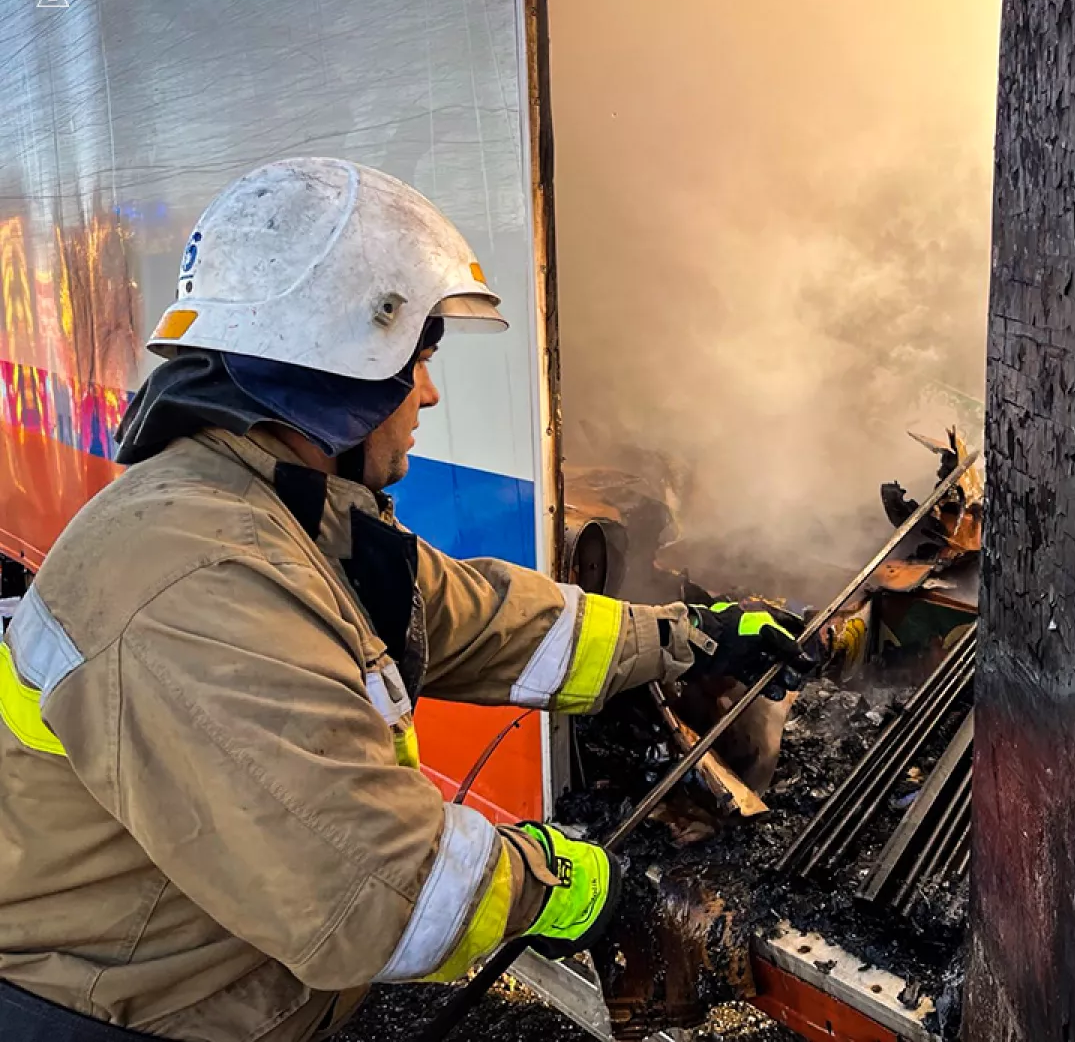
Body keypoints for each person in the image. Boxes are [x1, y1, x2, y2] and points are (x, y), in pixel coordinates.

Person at [0, 158, 814, 1042]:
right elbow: (384, 893)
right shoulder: (198, 577)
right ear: (335, 372)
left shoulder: (281, 512)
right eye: (418, 359)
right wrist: (572, 886)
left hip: (209, 986)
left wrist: (690, 637)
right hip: (102, 1020)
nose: (429, 390)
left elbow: (481, 616)